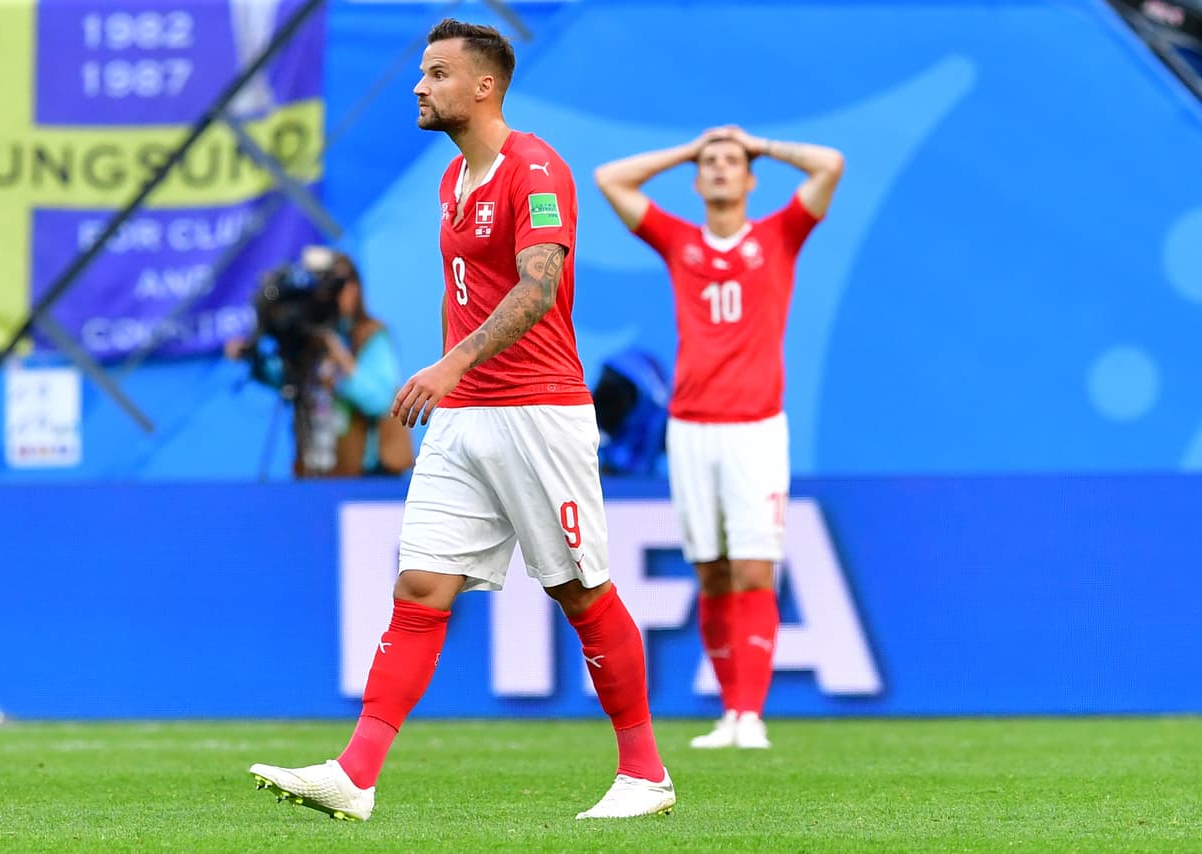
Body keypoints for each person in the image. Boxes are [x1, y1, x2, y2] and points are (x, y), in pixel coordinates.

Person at [247, 19, 675, 822]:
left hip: (536, 411)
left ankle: (645, 774)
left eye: (437, 73)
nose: (420, 86)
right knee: (420, 584)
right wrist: (456, 381)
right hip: (464, 418)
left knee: (580, 590)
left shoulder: (535, 168)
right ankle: (356, 774)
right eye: (421, 72)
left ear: (484, 86)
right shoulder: (452, 179)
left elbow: (538, 287)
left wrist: (450, 364)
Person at [594, 127, 844, 749]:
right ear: (697, 181)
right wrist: (689, 148)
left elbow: (830, 164)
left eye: (733, 162)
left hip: (756, 428)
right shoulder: (681, 242)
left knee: (755, 568)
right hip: (691, 428)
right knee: (710, 571)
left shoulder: (778, 235)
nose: (722, 168)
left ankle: (751, 715)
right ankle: (729, 713)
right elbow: (610, 179)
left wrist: (759, 144)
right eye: (710, 163)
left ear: (751, 178)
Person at [225, 246, 414, 477]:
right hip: (316, 473)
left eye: (338, 286)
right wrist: (254, 358)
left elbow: (380, 401)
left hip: (368, 478)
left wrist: (341, 359)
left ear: (355, 288)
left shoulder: (370, 335)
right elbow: (289, 380)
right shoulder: (309, 338)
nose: (330, 296)